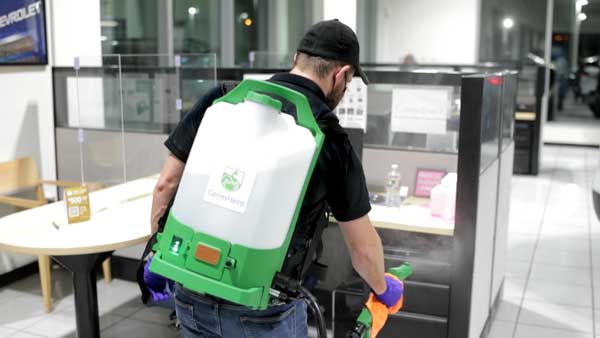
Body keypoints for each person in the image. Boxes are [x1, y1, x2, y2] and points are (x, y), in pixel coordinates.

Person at [147, 19, 403, 338]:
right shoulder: (329, 138)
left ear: (297, 57)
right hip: (260, 312)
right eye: (349, 82)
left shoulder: (224, 99)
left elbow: (166, 184)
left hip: (190, 294)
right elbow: (363, 249)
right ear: (342, 74)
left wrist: (155, 253)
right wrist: (383, 289)